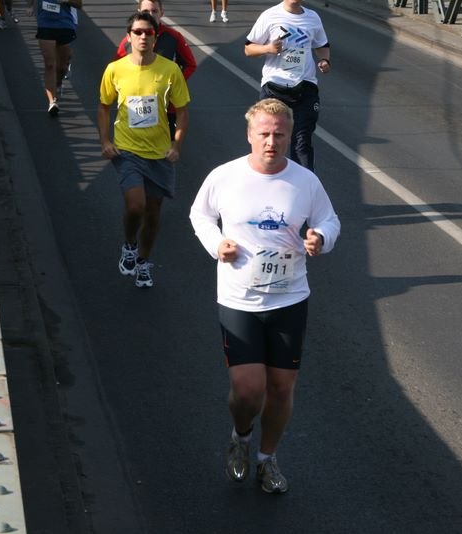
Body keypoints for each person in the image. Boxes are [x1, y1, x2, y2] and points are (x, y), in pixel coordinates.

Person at [189, 98, 340, 494]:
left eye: (279, 134)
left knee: (281, 389)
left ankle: (266, 458)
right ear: (249, 136)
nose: (271, 142)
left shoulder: (305, 181)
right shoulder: (225, 177)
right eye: (264, 134)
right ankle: (241, 436)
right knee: (247, 389)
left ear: (289, 136)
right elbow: (199, 215)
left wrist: (320, 237)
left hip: (289, 299)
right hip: (239, 299)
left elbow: (329, 219)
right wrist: (216, 243)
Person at [98, 11, 190, 288]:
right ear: (128, 37)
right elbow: (104, 107)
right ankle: (129, 244)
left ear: (155, 37)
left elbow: (183, 112)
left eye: (148, 33)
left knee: (152, 214)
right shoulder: (115, 70)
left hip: (159, 153)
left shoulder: (170, 70)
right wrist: (105, 141)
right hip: (127, 150)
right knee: (135, 206)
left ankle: (143, 261)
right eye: (137, 32)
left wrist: (176, 145)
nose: (142, 37)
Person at [245, 0, 331, 171]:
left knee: (302, 141)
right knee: (270, 139)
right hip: (275, 87)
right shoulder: (270, 15)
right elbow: (248, 49)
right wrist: (268, 48)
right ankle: (267, 181)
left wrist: (324, 60)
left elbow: (322, 45)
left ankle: (305, 188)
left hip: (305, 86)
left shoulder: (313, 17)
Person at [112, 0, 197, 138]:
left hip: (166, 107)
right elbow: (116, 68)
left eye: (154, 11)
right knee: (136, 143)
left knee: (163, 148)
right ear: (139, 12)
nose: (150, 15)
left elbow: (190, 65)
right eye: (146, 11)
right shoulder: (130, 40)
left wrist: (174, 84)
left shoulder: (174, 37)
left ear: (161, 13)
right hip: (136, 106)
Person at [36, 0, 82, 116]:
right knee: (49, 64)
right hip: (45, 24)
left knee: (62, 67)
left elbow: (79, 4)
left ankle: (57, 83)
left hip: (64, 25)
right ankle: (52, 101)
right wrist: (31, 7)